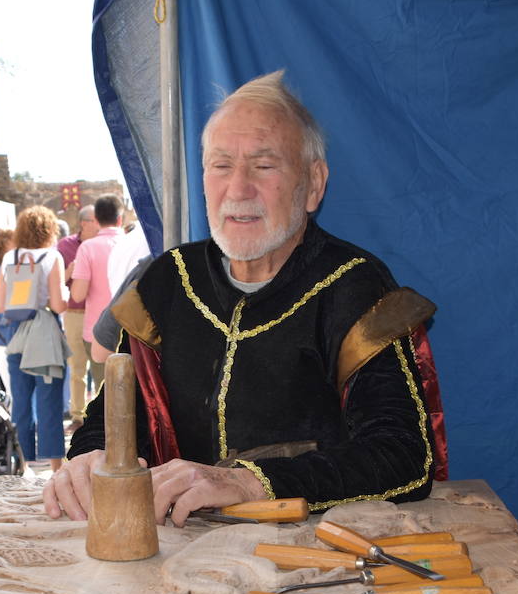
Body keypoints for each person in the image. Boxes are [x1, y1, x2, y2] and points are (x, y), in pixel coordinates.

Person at [45, 71, 436, 526]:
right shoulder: (169, 280)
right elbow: (115, 415)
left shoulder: (356, 286)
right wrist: (90, 456)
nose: (238, 188)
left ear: (313, 184)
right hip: (174, 555)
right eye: (221, 165)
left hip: (314, 557)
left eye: (264, 165)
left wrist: (252, 482)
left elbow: (404, 457)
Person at [0, 206, 69, 471]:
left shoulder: (10, 257)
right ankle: (55, 467)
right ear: (50, 229)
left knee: (21, 404)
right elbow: (59, 305)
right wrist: (66, 294)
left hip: (17, 333)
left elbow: (0, 305)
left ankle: (23, 466)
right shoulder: (52, 257)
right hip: (44, 333)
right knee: (49, 402)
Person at [69, 194, 128, 369]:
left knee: (102, 391)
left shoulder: (87, 248)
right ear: (119, 219)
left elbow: (78, 295)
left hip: (98, 332)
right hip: (132, 330)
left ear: (96, 219)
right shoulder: (131, 244)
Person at [56, 204, 98, 429]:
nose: (99, 224)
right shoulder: (65, 246)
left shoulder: (102, 243)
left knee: (101, 366)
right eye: (95, 220)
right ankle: (78, 416)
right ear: (84, 223)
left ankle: (99, 415)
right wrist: (70, 272)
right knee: (77, 367)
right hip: (74, 312)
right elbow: (56, 281)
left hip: (99, 311)